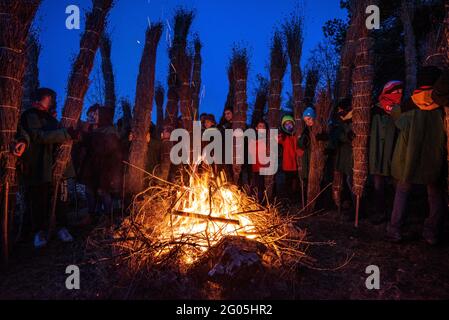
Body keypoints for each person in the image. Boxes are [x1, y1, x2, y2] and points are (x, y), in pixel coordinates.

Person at [387, 66, 446, 245]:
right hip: (433, 157)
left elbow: (397, 121)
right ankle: (431, 231)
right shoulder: (442, 106)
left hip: (408, 159)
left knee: (403, 191)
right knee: (435, 193)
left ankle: (394, 229)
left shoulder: (407, 106)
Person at [20, 88, 78, 248]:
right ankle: (39, 232)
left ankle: (62, 228)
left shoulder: (51, 118)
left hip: (59, 165)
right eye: (49, 98)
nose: (52, 101)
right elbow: (39, 136)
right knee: (39, 199)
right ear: (40, 99)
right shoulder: (30, 115)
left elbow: (60, 134)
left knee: (61, 198)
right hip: (40, 166)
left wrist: (74, 135)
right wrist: (66, 133)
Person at [78, 106, 123, 224]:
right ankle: (91, 215)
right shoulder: (95, 130)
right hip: (93, 167)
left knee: (104, 192)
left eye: (97, 114)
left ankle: (108, 217)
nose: (94, 116)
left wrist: (86, 135)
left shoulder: (110, 132)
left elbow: (105, 150)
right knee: (90, 191)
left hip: (105, 169)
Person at [368, 81, 403, 224]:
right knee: (378, 186)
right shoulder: (374, 110)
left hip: (393, 153)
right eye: (396, 92)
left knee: (397, 186)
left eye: (401, 92)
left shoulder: (400, 110)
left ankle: (396, 214)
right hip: (377, 154)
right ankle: (380, 212)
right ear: (387, 92)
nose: (399, 95)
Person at [328, 98, 355, 216]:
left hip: (351, 158)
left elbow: (349, 138)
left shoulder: (353, 122)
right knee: (346, 182)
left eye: (341, 110)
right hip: (342, 158)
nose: (339, 113)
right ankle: (348, 204)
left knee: (352, 182)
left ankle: (357, 208)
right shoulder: (341, 122)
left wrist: (342, 136)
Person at [278, 114, 300, 201]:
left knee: (296, 181)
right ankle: (288, 198)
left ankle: (295, 197)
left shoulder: (297, 135)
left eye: (290, 123)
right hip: (288, 164)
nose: (288, 125)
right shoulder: (283, 137)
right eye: (286, 124)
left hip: (297, 163)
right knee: (288, 182)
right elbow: (277, 139)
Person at [248, 120, 269, 202]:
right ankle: (257, 203)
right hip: (257, 167)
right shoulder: (253, 139)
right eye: (260, 126)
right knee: (258, 186)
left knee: (265, 186)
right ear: (256, 128)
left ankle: (264, 202)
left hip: (266, 167)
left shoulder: (268, 139)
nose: (262, 128)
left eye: (264, 126)